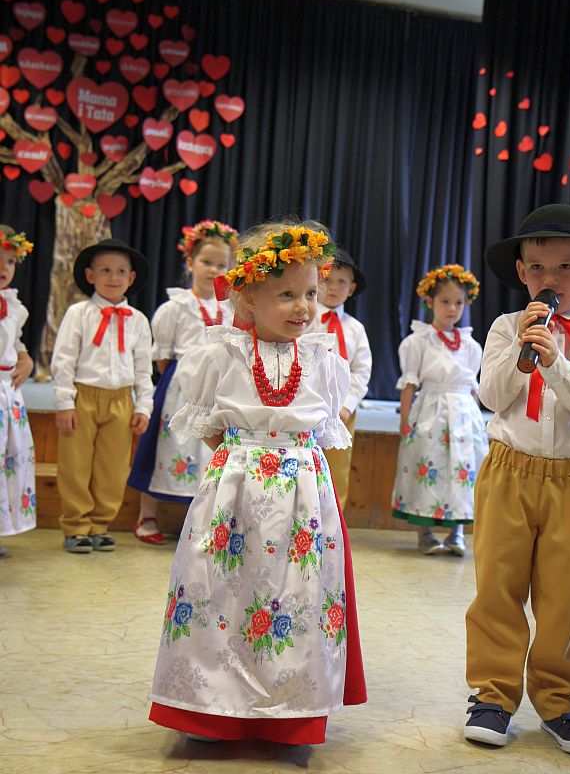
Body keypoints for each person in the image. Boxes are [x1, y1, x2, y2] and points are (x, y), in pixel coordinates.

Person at [149, 220, 367, 744]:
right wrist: (244, 461)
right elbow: (207, 426)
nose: (303, 306)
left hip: (302, 500)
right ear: (248, 296)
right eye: (286, 294)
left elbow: (324, 430)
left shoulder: (322, 360)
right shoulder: (220, 355)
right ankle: (212, 708)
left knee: (295, 595)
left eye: (310, 293)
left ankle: (290, 711)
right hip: (235, 496)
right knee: (223, 592)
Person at [464, 203, 570, 755]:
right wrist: (525, 352)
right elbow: (491, 396)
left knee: (566, 594)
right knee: (497, 587)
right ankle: (493, 695)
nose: (552, 279)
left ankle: (560, 700)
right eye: (539, 268)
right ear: (522, 272)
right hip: (509, 471)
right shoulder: (505, 327)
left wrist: (555, 362)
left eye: (567, 267)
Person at [128, 220, 238, 545]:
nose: (213, 270)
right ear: (190, 262)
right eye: (206, 262)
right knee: (165, 447)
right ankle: (146, 515)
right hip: (180, 388)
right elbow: (162, 358)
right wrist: (186, 378)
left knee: (211, 452)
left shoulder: (232, 307)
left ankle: (206, 522)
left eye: (221, 265)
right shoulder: (174, 307)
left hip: (220, 388)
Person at [51, 238, 153, 553]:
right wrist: (64, 403)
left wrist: (143, 406)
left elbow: (143, 368)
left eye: (121, 271)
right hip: (83, 397)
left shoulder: (138, 320)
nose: (113, 277)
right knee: (76, 465)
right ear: (90, 275)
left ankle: (100, 525)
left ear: (131, 278)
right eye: (105, 270)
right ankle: (76, 525)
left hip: (121, 401)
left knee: (113, 468)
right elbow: (63, 360)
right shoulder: (79, 313)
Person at [391, 265, 487, 555]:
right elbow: (409, 384)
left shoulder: (470, 345)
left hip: (463, 414)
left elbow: (473, 387)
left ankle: (457, 533)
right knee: (427, 464)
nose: (452, 309)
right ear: (430, 302)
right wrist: (405, 422)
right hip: (430, 412)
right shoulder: (418, 341)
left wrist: (478, 421)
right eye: (445, 301)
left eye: (459, 302)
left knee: (462, 470)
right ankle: (425, 533)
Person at [310, 248, 371, 511]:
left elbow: (362, 371)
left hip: (341, 411)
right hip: (307, 404)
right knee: (305, 463)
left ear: (352, 288)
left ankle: (333, 524)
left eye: (342, 281)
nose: (333, 287)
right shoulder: (305, 319)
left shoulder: (356, 329)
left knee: (337, 469)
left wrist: (347, 405)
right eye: (326, 279)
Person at [0, 226, 35, 555]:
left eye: (10, 261)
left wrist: (25, 358)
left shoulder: (14, 306)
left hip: (7, 395)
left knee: (7, 460)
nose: (4, 268)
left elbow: (15, 342)